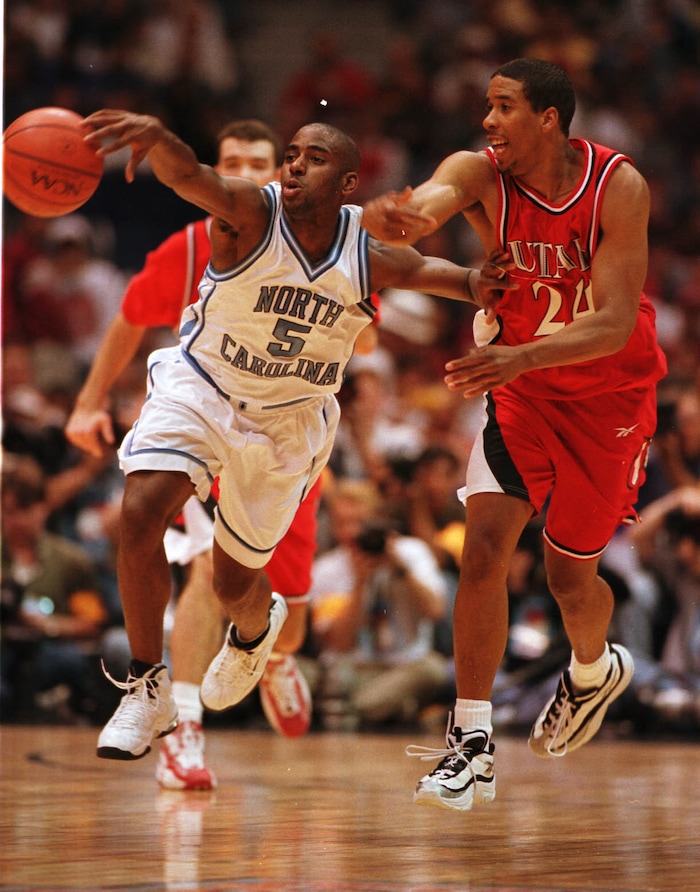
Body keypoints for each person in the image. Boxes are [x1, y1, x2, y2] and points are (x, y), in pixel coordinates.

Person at [79, 107, 504, 762]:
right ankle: (147, 683)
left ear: (349, 183)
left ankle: (255, 636)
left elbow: (444, 276)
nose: (296, 164)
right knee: (140, 513)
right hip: (203, 386)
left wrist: (491, 283)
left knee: (232, 584)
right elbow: (189, 175)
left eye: (316, 158)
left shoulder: (367, 255)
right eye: (294, 154)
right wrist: (161, 138)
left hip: (287, 421)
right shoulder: (250, 211)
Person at [362, 57, 667, 811]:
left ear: (549, 119)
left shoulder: (617, 186)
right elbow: (437, 198)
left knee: (570, 579)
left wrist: (518, 353)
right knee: (485, 552)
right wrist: (406, 218)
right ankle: (470, 743)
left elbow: (615, 321)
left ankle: (595, 670)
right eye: (487, 107)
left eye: (504, 108)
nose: (489, 121)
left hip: (607, 399)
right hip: (520, 393)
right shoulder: (481, 171)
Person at [65, 120, 328, 790]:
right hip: (203, 423)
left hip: (283, 435)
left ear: (282, 173)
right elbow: (129, 315)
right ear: (213, 168)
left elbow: (370, 333)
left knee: (283, 616)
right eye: (231, 159)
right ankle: (179, 726)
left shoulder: (323, 243)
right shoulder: (187, 246)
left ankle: (268, 652)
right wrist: (89, 400)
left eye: (257, 161)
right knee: (200, 567)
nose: (243, 169)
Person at [309, 478, 451, 731]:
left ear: (378, 519)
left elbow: (436, 610)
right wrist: (360, 584)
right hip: (354, 669)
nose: (352, 533)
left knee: (433, 668)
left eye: (360, 523)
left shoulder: (411, 552)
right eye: (342, 523)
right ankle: (386, 710)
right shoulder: (326, 570)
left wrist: (400, 568)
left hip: (407, 666)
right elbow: (339, 644)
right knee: (338, 680)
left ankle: (364, 710)